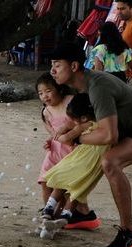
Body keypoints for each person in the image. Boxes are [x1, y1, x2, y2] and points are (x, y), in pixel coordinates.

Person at [50, 42, 132, 247]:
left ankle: (130, 233)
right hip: (129, 128)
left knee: (110, 162)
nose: (52, 70)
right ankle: (82, 213)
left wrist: (76, 139)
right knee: (87, 157)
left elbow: (108, 135)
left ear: (74, 66)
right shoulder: (85, 86)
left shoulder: (97, 87)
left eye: (57, 65)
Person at [42, 94, 109, 220]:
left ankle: (49, 208)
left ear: (83, 118)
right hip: (96, 163)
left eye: (74, 119)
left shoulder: (85, 125)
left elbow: (67, 138)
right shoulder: (104, 124)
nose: (72, 122)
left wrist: (60, 133)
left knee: (61, 178)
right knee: (78, 189)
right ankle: (66, 215)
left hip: (81, 158)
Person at [36, 73, 77, 216]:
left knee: (65, 185)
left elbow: (82, 122)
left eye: (48, 91)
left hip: (72, 150)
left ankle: (60, 211)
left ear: (59, 89)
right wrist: (49, 140)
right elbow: (53, 132)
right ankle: (48, 211)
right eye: (41, 93)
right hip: (55, 150)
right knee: (45, 180)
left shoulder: (70, 101)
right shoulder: (46, 112)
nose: (45, 96)